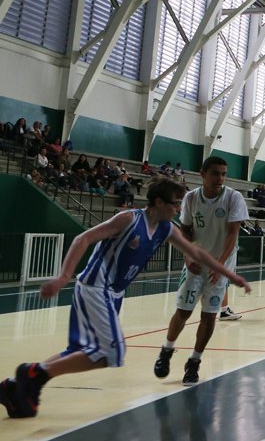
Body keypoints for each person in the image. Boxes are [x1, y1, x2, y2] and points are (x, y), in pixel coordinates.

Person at [0, 179, 251, 419]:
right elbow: (83, 238)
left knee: (78, 351)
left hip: (112, 292)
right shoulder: (129, 219)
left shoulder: (165, 228)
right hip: (96, 287)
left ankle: (18, 387)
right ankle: (34, 374)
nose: (178, 208)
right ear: (159, 203)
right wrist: (62, 277)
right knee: (112, 351)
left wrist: (231, 275)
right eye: (174, 203)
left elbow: (195, 251)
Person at [154, 156, 249, 386]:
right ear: (203, 174)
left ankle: (194, 361)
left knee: (209, 315)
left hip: (220, 264)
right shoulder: (191, 198)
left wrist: (222, 265)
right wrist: (187, 255)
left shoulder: (233, 198)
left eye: (224, 174)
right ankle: (167, 349)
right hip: (196, 262)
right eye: (215, 173)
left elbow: (232, 233)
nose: (220, 178)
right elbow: (185, 230)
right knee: (183, 311)